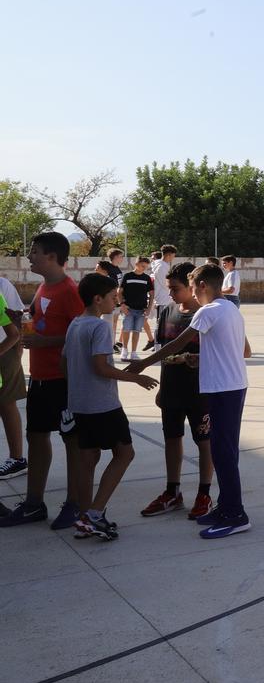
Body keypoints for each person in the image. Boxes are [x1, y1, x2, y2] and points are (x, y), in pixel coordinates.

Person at [133, 263, 253, 539]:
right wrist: (202, 358)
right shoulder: (231, 310)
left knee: (223, 454)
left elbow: (176, 344)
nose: (194, 297)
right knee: (224, 451)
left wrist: (143, 364)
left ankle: (235, 514)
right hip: (233, 387)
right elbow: (241, 351)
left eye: (193, 289)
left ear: (201, 286)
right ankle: (225, 507)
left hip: (223, 390)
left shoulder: (208, 311)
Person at [62, 273, 159, 541]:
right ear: (98, 299)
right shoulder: (100, 327)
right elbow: (101, 367)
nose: (116, 302)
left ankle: (84, 518)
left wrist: (75, 392)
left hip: (80, 403)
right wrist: (136, 378)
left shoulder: (75, 324)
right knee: (125, 454)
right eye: (113, 297)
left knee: (88, 459)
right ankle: (94, 514)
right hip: (103, 405)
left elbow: (65, 363)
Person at [0, 232, 88, 529]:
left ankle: (75, 504)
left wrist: (45, 341)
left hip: (63, 379)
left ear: (51, 256)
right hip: (40, 377)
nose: (29, 256)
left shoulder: (69, 290)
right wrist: (19, 318)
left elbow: (83, 332)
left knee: (72, 441)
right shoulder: (43, 288)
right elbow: (38, 322)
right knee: (36, 437)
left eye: (35, 251)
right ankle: (34, 503)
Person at [139, 262, 215, 520]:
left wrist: (196, 359)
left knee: (204, 442)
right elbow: (164, 351)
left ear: (192, 287)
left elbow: (221, 354)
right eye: (168, 288)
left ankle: (204, 493)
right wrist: (163, 387)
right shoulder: (167, 311)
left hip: (199, 391)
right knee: (172, 438)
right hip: (172, 389)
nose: (170, 294)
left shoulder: (206, 313)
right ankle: (173, 492)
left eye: (175, 289)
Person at [0, 273, 27, 479]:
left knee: (7, 404)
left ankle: (17, 458)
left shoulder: (2, 285)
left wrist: (17, 350)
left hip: (5, 351)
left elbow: (17, 320)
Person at [117, 256, 154, 360]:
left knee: (137, 331)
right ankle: (124, 351)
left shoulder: (147, 278)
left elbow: (152, 294)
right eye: (142, 266)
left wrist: (149, 308)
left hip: (141, 310)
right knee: (126, 329)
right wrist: (122, 305)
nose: (144, 268)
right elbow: (119, 292)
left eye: (146, 267)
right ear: (136, 264)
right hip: (128, 309)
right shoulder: (127, 276)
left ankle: (133, 352)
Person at [146, 245, 175, 350]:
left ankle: (159, 345)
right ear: (169, 254)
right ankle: (158, 346)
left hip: (165, 299)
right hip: (163, 299)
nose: (173, 258)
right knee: (161, 324)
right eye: (173, 255)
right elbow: (165, 283)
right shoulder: (162, 266)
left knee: (164, 324)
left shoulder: (162, 265)